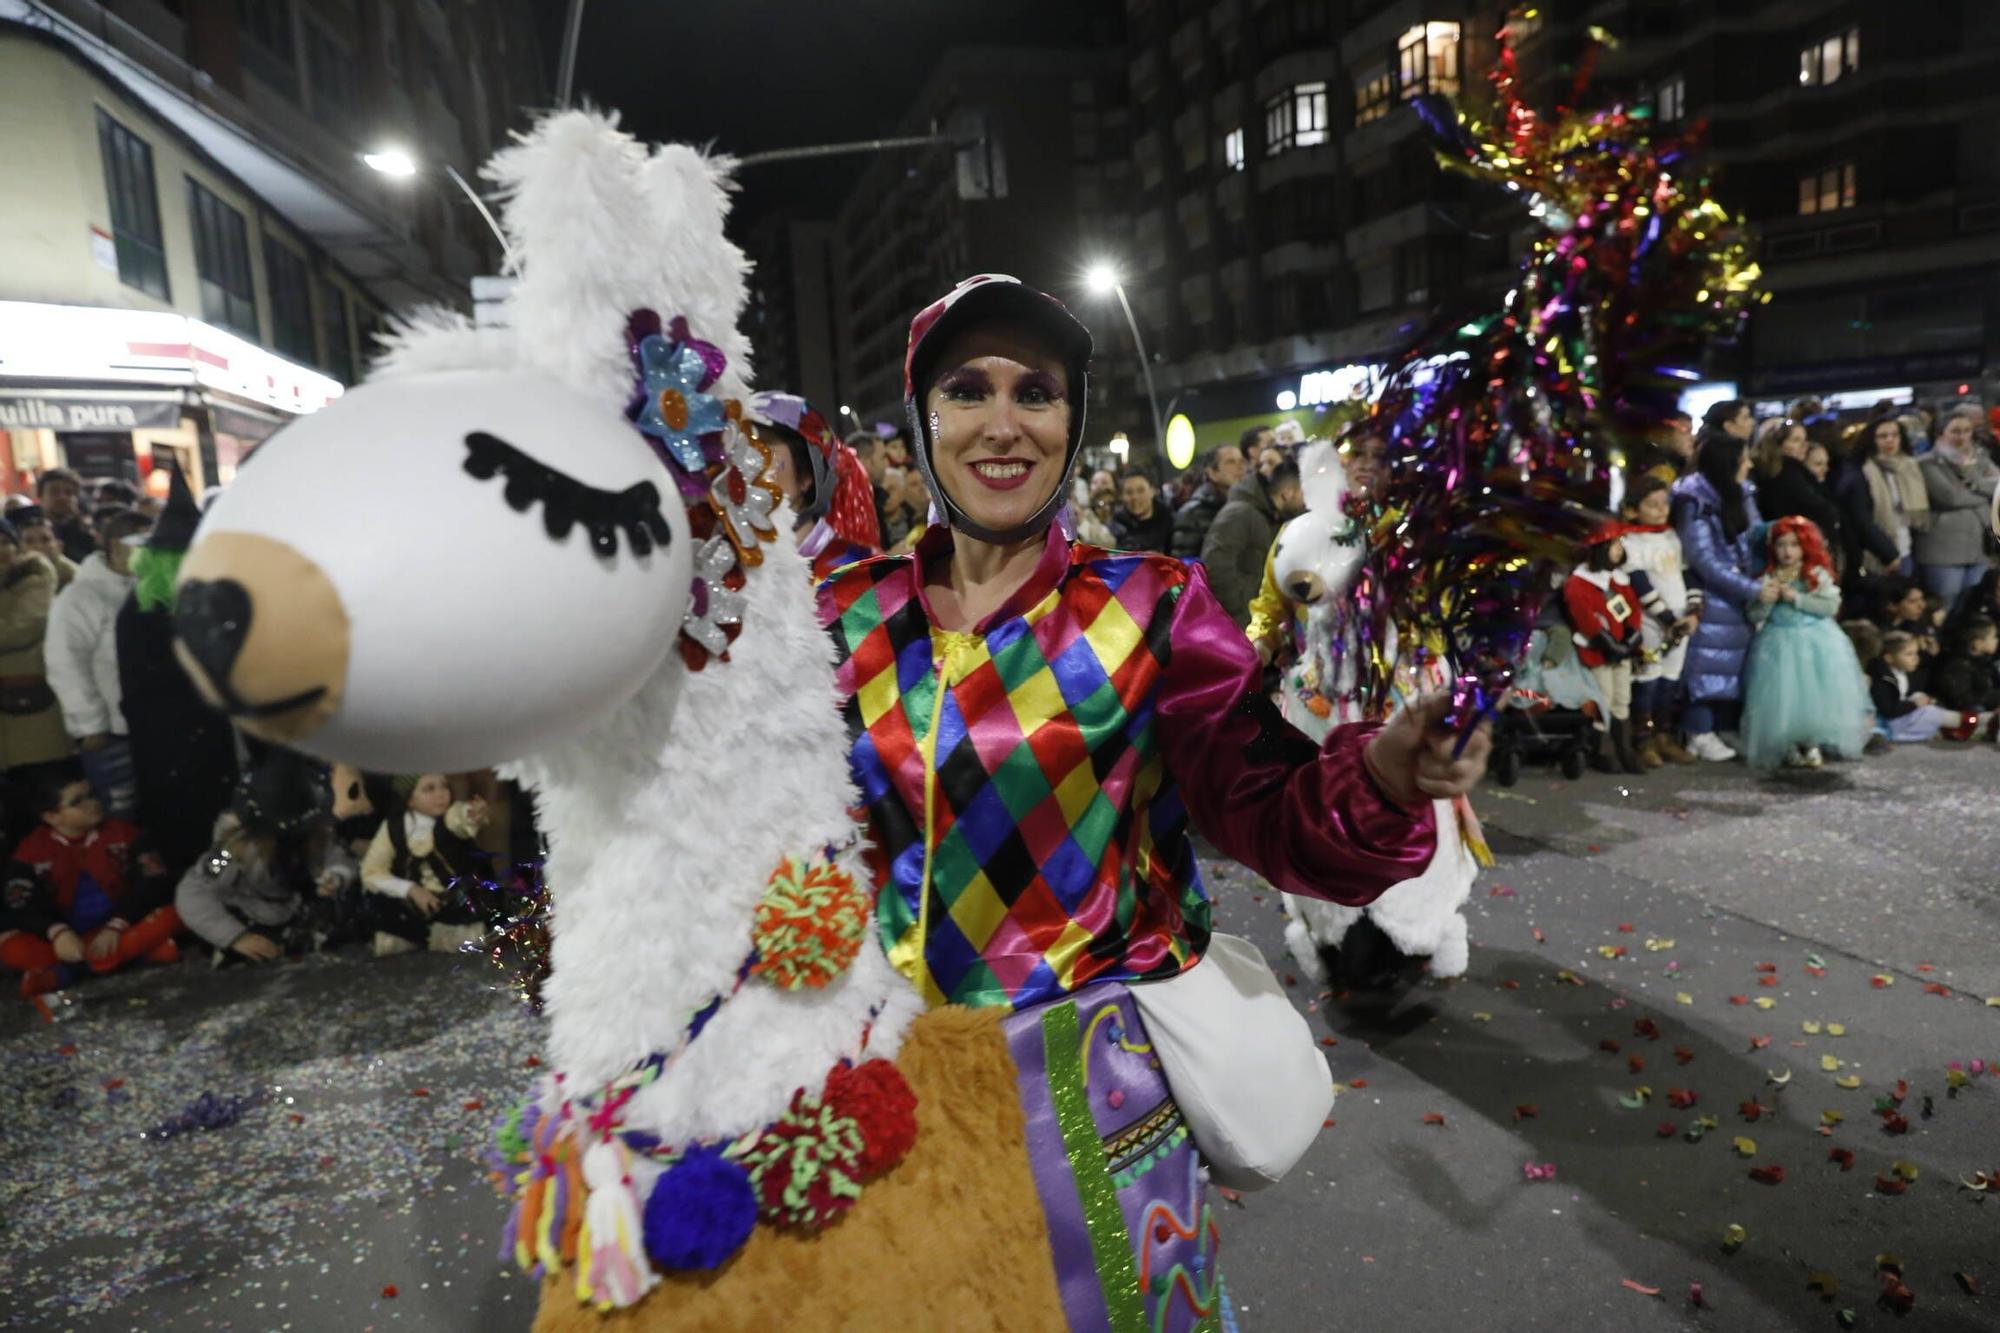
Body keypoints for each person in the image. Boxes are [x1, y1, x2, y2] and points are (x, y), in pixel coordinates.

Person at [820, 274, 1487, 1187]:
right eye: (967, 389)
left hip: (1089, 1120)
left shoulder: (1152, 605)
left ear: (1073, 418)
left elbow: (1270, 811)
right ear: (924, 417)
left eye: (1037, 392)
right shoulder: (838, 615)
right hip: (869, 1099)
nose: (1004, 422)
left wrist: (1382, 780)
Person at [117, 468, 241, 880]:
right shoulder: (142, 614)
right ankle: (192, 906)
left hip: (201, 741)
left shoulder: (182, 605)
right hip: (173, 746)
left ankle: (216, 894)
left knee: (222, 828)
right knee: (190, 827)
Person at [0, 768, 179, 1001]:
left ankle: (66, 974)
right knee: (11, 947)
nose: (92, 803)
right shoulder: (31, 851)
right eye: (77, 802)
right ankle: (138, 955)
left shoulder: (124, 833)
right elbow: (20, 902)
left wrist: (117, 925)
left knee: (176, 912)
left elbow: (154, 881)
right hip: (69, 938)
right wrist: (56, 932)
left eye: (92, 795)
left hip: (120, 927)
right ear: (52, 817)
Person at [174, 748, 357, 964]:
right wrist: (234, 937)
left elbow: (335, 854)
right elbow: (195, 890)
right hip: (252, 922)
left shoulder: (313, 831)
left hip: (299, 915)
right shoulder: (228, 851)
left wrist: (336, 875)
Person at [44, 508, 150, 819]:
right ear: (117, 546)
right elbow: (64, 662)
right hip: (110, 732)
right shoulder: (81, 596)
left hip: (150, 726)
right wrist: (90, 723)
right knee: (119, 817)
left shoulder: (147, 589)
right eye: (143, 544)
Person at [1740, 517, 1867, 770]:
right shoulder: (1768, 576)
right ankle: (1786, 743)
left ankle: (1811, 742)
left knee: (1815, 694)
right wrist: (1767, 599)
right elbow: (1755, 615)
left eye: (1794, 545)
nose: (1787, 552)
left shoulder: (1815, 575)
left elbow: (1830, 606)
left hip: (1814, 642)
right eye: (1781, 545)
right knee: (1782, 696)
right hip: (1777, 642)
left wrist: (1796, 598)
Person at [1672, 431, 1768, 761]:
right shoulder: (1695, 501)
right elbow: (1704, 560)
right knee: (1704, 665)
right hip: (1712, 596)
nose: (1750, 464)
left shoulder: (1740, 494)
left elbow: (1754, 535)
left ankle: (1718, 729)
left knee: (1728, 664)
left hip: (1736, 595)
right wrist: (1753, 588)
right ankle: (1698, 731)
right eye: (1744, 459)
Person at [749, 392, 882, 579]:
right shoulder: (726, 568)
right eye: (740, 448)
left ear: (806, 476)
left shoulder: (855, 572)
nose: (745, 463)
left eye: (763, 448)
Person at [360, 773, 492, 956]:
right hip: (412, 907)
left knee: (461, 942)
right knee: (391, 940)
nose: (441, 794)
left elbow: (461, 818)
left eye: (444, 786)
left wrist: (472, 814)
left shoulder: (450, 818)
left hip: (455, 903)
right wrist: (411, 889)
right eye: (429, 789)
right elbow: (372, 872)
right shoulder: (394, 827)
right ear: (410, 799)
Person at [1618, 475, 1700, 764]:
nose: (1661, 510)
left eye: (1664, 504)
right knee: (1648, 680)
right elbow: (1639, 583)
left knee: (1670, 681)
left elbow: (1686, 573)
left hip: (1679, 622)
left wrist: (1693, 610)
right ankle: (1643, 739)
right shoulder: (1630, 541)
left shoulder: (1671, 536)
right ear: (1632, 509)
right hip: (1653, 623)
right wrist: (1666, 617)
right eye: (1652, 505)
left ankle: (1664, 735)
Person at [0, 520, 74, 806]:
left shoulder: (35, 575)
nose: (2, 551)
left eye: (6, 542)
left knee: (47, 799)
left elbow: (22, 628)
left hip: (33, 711)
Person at [1563, 527, 1647, 773]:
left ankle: (1624, 750)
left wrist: (1632, 636)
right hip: (1599, 654)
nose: (1620, 549)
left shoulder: (1618, 580)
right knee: (1603, 699)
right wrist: (1608, 644)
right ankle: (1600, 750)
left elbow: (1632, 609)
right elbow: (1585, 619)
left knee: (1622, 699)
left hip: (1621, 652)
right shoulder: (1579, 584)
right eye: (1615, 545)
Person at [1913, 406, 2000, 615]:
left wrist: (1974, 484)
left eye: (1967, 430)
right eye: (1955, 431)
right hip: (1943, 550)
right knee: (1945, 607)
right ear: (1941, 433)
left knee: (1972, 606)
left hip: (1978, 547)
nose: (1962, 437)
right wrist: (1983, 493)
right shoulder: (1927, 463)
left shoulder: (1980, 458)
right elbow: (1950, 497)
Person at [1204, 456, 1304, 627]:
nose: (1305, 502)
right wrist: (1243, 617)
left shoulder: (1271, 517)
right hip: (1241, 625)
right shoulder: (1240, 513)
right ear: (1288, 493)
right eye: (1304, 493)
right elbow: (1215, 569)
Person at [1751, 417, 1844, 563]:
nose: (1804, 446)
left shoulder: (1776, 472)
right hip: (1799, 553)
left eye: (1804, 440)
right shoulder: (1788, 474)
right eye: (1796, 440)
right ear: (1779, 445)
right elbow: (1818, 508)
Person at [1848, 417, 1923, 579]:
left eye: (1895, 435)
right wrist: (1887, 553)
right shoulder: (1862, 471)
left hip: (1907, 548)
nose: (1890, 440)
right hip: (1880, 553)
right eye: (1883, 436)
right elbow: (1862, 518)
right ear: (1872, 439)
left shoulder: (1909, 466)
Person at [1868, 632, 1962, 744]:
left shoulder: (1900, 672)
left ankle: (1958, 723)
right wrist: (1915, 704)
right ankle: (1965, 721)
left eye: (1916, 653)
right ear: (1889, 658)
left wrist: (1922, 700)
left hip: (1898, 714)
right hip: (1887, 723)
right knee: (1929, 712)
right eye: (1909, 654)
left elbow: (1906, 693)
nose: (1916, 658)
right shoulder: (1883, 679)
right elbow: (1889, 710)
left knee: (1922, 699)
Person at [1171, 442, 1246, 558]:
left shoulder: (1249, 505)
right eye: (1231, 462)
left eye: (1242, 461)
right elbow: (1186, 564)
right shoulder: (1191, 513)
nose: (1240, 467)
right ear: (1212, 473)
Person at [1932, 616, 2000, 717]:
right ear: (1977, 644)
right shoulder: (1958, 665)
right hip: (1962, 716)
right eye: (1993, 637)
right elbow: (1964, 701)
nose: (1997, 640)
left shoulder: (1984, 660)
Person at [35, 469, 96, 564]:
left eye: (68, 492)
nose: (62, 497)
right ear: (40, 496)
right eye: (54, 492)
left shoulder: (88, 533)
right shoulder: (28, 532)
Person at [1110, 467, 1174, 553]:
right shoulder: (1115, 525)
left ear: (1153, 491)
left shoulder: (1170, 521)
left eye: (1141, 491)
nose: (1135, 497)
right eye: (1129, 492)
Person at [13, 508, 78, 591]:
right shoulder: (11, 576)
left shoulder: (75, 577)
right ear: (19, 549)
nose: (38, 546)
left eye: (45, 540)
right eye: (29, 541)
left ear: (59, 546)